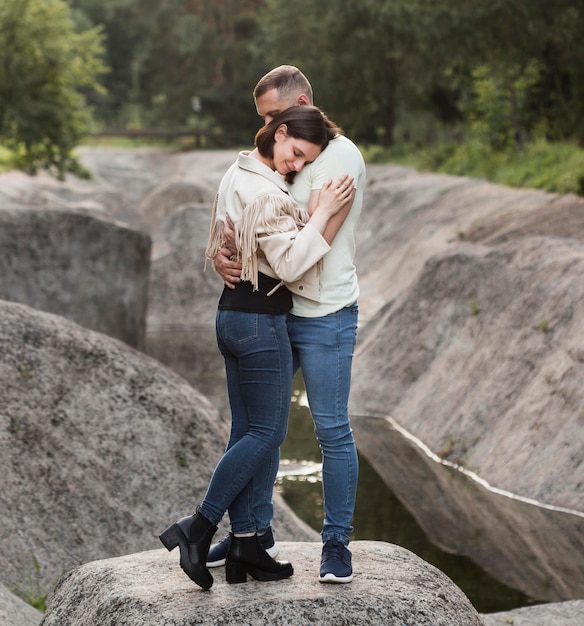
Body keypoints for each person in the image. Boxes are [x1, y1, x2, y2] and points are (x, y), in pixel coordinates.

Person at [158, 105, 355, 590]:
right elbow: (289, 265)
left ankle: (246, 540)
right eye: (293, 153)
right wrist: (325, 212)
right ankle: (198, 527)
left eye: (304, 160)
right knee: (267, 434)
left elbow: (231, 240)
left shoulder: (236, 171)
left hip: (230, 314)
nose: (295, 165)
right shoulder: (266, 190)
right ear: (279, 131)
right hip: (261, 321)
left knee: (246, 429)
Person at [209, 65, 366, 584]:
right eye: (272, 123)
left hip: (323, 314)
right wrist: (223, 254)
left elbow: (304, 250)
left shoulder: (337, 158)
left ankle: (336, 543)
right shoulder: (286, 152)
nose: (271, 131)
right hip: (277, 311)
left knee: (331, 430)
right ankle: (251, 533)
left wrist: (264, 244)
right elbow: (252, 219)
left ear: (301, 104)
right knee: (260, 429)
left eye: (277, 116)